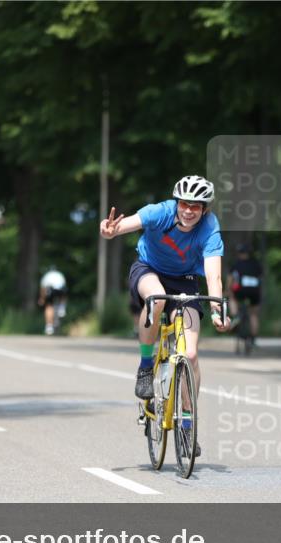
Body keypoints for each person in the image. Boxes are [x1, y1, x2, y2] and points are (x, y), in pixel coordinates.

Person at [99, 175, 231, 452]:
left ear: (205, 209)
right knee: (156, 300)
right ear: (176, 202)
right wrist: (111, 230)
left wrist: (218, 308)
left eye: (196, 206)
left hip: (185, 281)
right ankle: (146, 365)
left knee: (190, 354)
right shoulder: (160, 212)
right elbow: (128, 223)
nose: (189, 210)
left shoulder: (210, 227)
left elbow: (213, 273)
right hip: (149, 270)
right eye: (184, 203)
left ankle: (186, 424)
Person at [228, 243, 263, 345]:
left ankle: (236, 317)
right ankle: (253, 339)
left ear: (239, 253)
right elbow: (261, 278)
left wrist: (228, 290)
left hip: (241, 290)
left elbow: (231, 279)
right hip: (254, 291)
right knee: (253, 315)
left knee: (232, 297)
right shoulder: (256, 264)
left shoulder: (237, 264)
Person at [38, 265, 67, 335]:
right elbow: (64, 285)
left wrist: (42, 299)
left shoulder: (47, 276)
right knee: (63, 294)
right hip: (60, 290)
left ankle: (49, 326)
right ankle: (61, 308)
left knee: (49, 306)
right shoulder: (60, 274)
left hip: (50, 290)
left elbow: (43, 289)